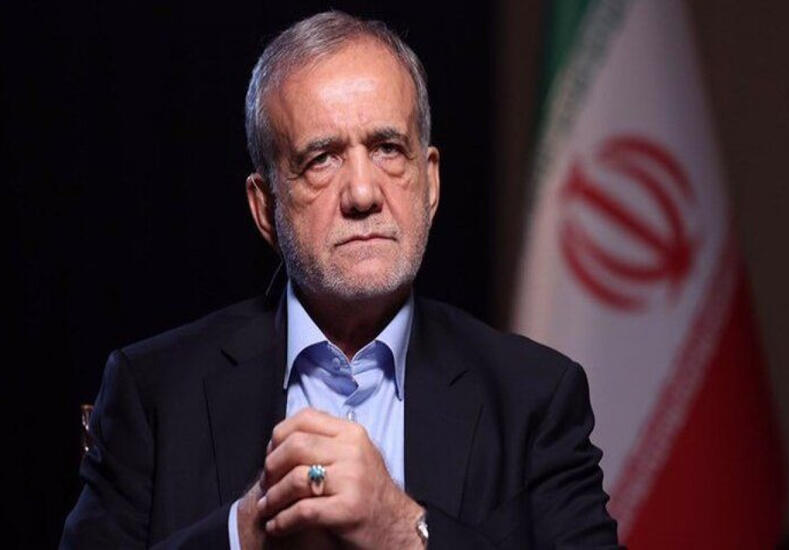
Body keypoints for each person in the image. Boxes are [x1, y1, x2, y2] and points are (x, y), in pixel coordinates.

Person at [61, 11, 619, 549]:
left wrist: (403, 533)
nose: (362, 193)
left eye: (387, 149)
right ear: (265, 208)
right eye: (322, 159)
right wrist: (244, 534)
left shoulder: (534, 398)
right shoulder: (153, 393)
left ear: (430, 183)